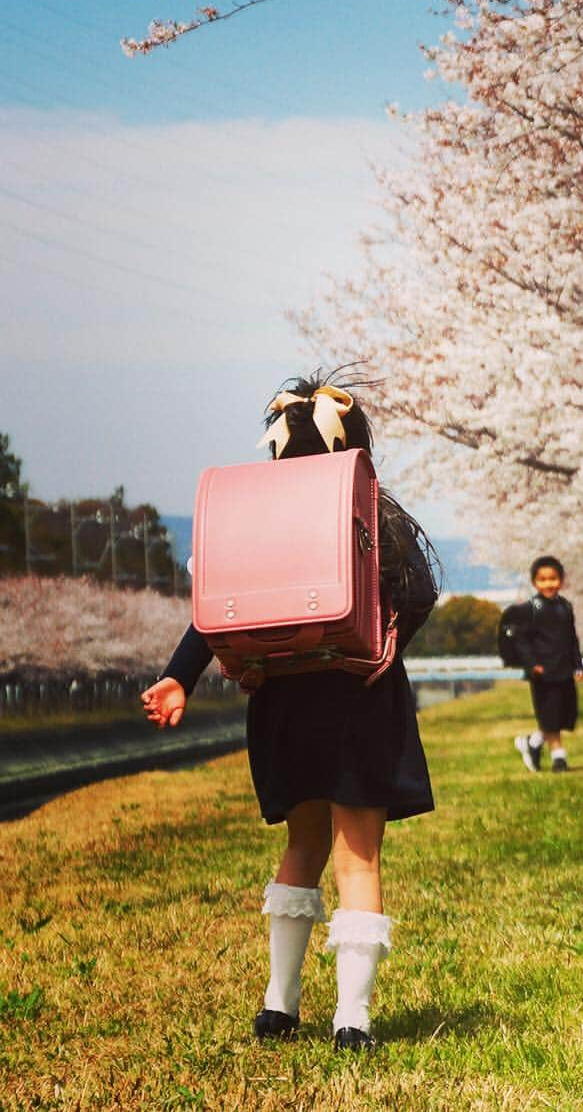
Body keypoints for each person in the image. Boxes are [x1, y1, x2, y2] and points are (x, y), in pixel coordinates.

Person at [140, 371, 438, 1051]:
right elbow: (419, 592)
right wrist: (380, 644)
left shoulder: (252, 516)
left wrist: (177, 678)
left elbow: (212, 609)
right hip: (359, 699)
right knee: (357, 857)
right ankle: (353, 1018)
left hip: (282, 701)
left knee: (301, 844)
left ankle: (279, 1004)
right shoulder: (369, 509)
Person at [509, 556, 583, 774]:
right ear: (534, 582)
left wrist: (578, 664)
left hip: (563, 669)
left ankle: (532, 742)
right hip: (542, 672)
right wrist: (532, 664)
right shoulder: (531, 609)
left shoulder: (565, 607)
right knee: (550, 715)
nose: (548, 584)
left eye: (553, 579)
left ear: (561, 581)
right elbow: (521, 640)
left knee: (564, 714)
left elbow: (572, 638)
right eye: (542, 579)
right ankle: (558, 757)